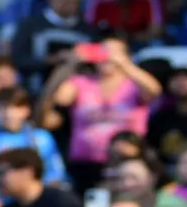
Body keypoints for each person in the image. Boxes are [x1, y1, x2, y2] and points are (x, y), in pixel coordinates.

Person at [45, 40, 162, 191]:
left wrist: (126, 65)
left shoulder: (133, 85)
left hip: (127, 164)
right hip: (86, 165)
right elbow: (57, 98)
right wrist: (69, 65)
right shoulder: (81, 82)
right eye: (103, 51)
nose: (108, 56)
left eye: (114, 52)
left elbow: (154, 91)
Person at [9, 0, 99, 81]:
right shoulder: (31, 25)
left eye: (73, 2)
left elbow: (95, 64)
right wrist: (53, 59)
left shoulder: (87, 31)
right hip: (36, 86)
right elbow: (19, 59)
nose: (68, 6)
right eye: (64, 0)